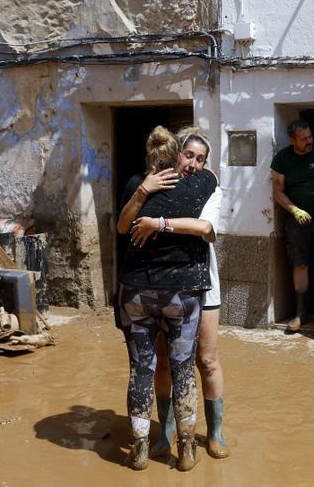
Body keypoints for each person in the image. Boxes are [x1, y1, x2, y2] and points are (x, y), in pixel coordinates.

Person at [115, 126, 217, 471]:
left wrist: (145, 191)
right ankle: (186, 449)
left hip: (137, 292)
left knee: (141, 369)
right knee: (184, 368)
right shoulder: (203, 184)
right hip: (183, 293)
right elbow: (206, 227)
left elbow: (120, 228)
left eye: (199, 159)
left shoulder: (136, 186)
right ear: (177, 154)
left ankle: (141, 448)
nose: (193, 164)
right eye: (189, 155)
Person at [271, 119, 314, 331]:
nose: (309, 141)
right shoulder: (282, 159)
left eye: (310, 136)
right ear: (293, 141)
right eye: (304, 139)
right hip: (298, 219)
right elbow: (278, 192)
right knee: (300, 263)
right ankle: (302, 314)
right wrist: (294, 210)